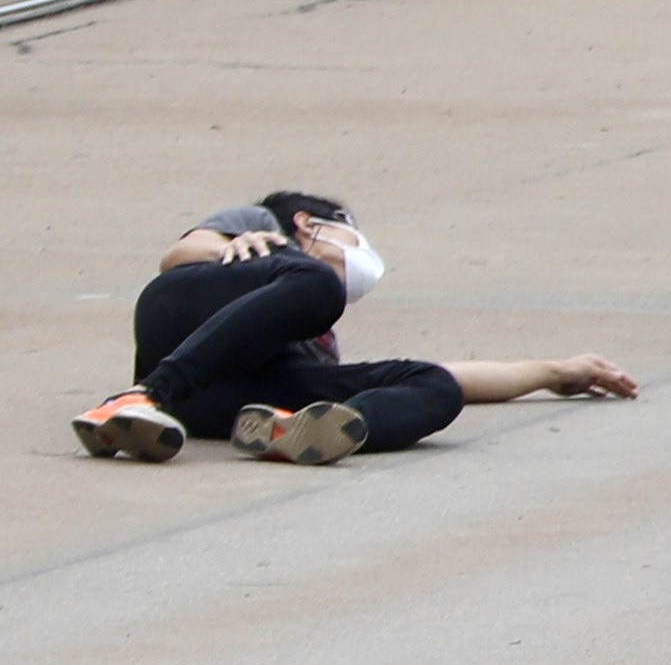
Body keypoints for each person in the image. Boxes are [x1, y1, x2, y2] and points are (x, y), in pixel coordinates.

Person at [71, 195, 636, 469]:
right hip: (177, 324)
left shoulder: (314, 326)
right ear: (309, 224)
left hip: (221, 401)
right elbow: (177, 255)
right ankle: (141, 398)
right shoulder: (263, 231)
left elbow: (458, 377)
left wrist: (553, 372)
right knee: (316, 285)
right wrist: (225, 249)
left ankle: (298, 433)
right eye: (351, 236)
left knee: (434, 384)